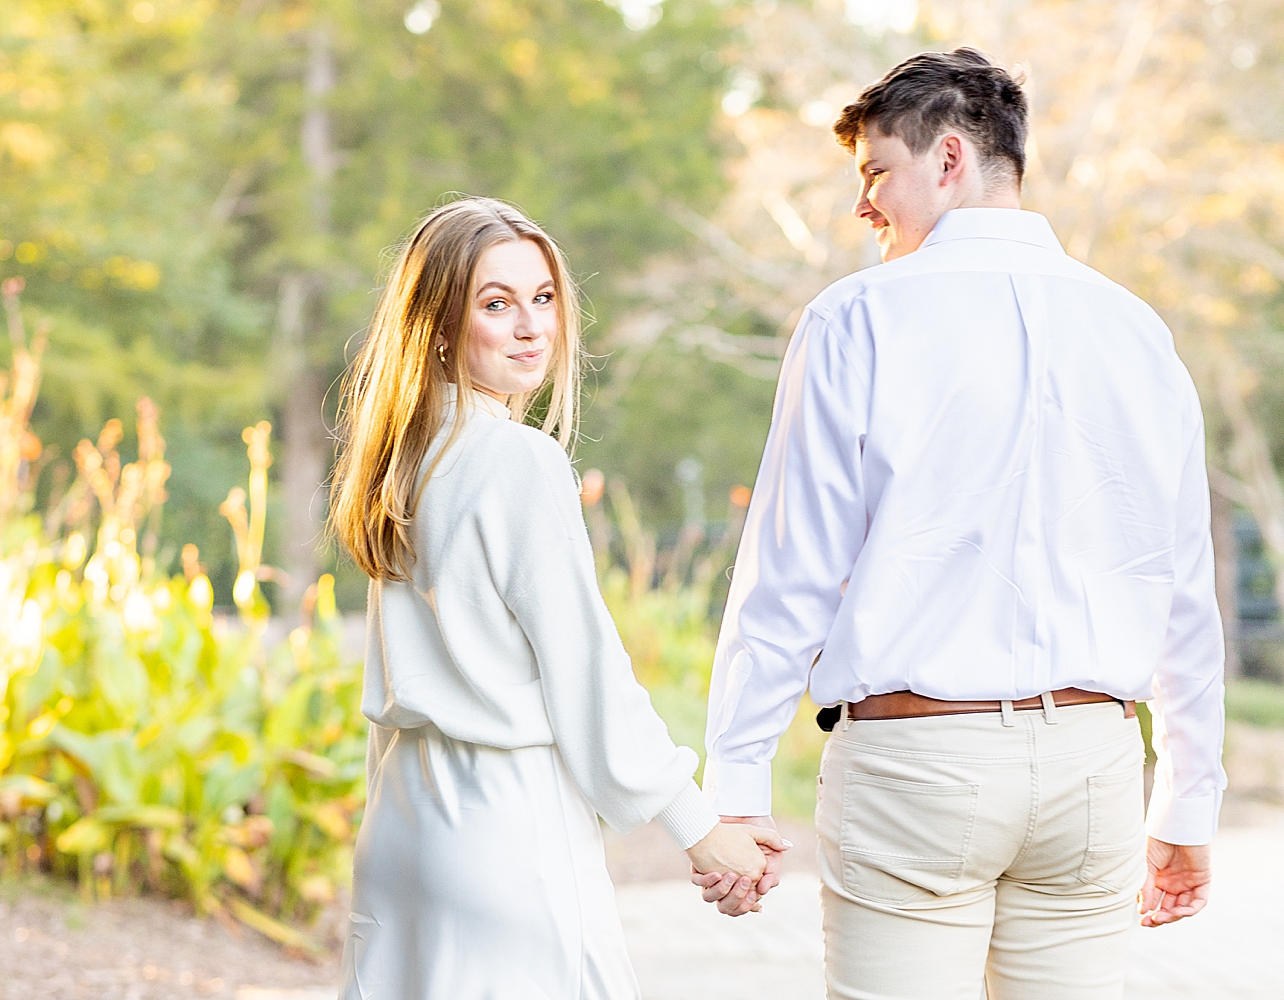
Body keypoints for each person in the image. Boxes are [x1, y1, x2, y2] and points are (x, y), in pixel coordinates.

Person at [693, 49, 1226, 999]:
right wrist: (1188, 799)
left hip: (917, 769)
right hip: (1095, 769)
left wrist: (735, 783)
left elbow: (790, 575)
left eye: (874, 173)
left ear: (947, 161)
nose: (864, 206)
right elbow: (1178, 581)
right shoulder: (1138, 331)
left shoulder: (854, 319)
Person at [328, 197, 783, 1000]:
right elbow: (586, 672)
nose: (532, 326)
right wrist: (700, 830)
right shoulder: (517, 462)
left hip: (403, 831)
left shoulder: (402, 463)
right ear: (438, 325)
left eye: (543, 299)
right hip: (505, 832)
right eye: (496, 304)